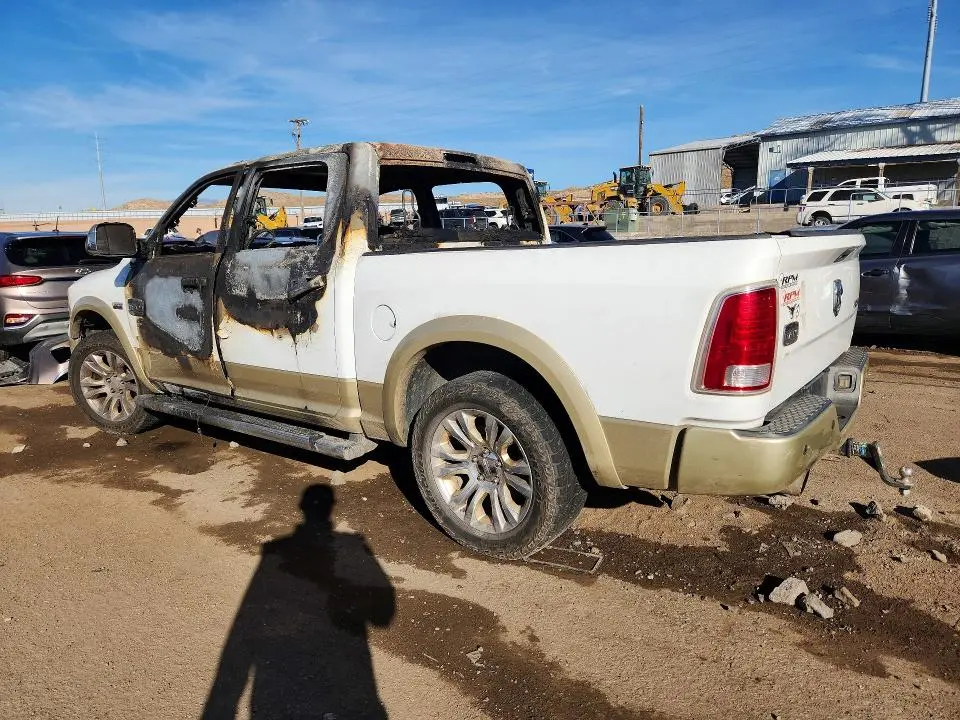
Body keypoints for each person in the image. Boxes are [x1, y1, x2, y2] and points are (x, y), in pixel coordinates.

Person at [201, 485, 395, 719]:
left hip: (279, 684)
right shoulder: (353, 547)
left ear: (301, 508)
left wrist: (222, 706)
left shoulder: (275, 553)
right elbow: (383, 616)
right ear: (331, 508)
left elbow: (244, 625)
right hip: (346, 676)